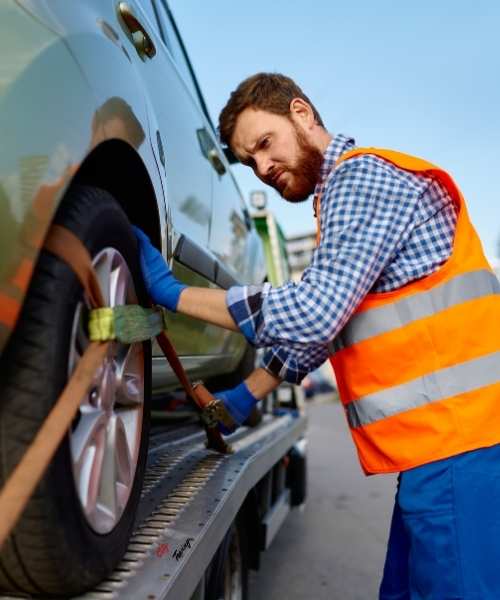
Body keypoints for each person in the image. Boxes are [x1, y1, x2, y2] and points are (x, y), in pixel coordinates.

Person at [134, 73, 500, 598]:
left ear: (301, 115)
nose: (262, 168)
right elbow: (329, 330)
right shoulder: (343, 198)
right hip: (445, 448)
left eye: (264, 143)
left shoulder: (361, 179)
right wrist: (245, 394)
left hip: (463, 447)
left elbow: (313, 314)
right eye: (249, 162)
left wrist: (175, 295)